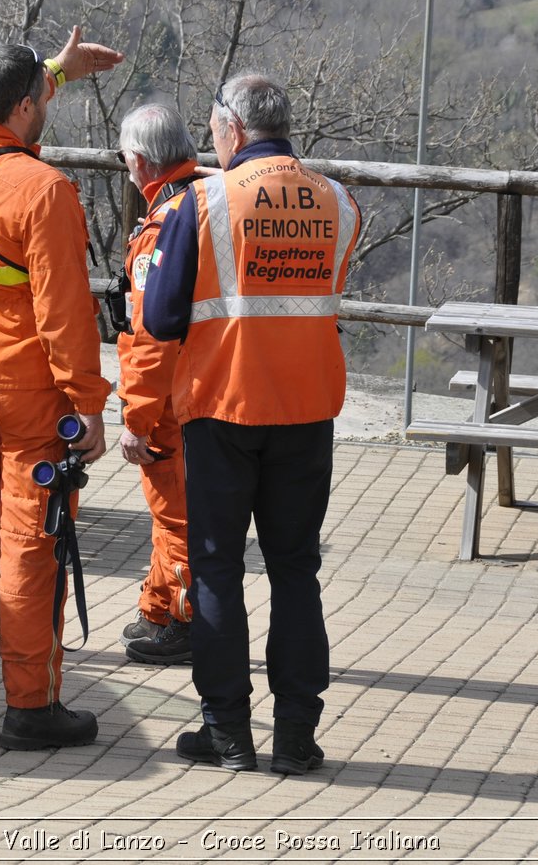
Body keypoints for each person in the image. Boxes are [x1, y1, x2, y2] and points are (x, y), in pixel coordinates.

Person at [143, 74, 361, 774]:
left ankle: (227, 731)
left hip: (222, 406)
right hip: (307, 409)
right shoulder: (339, 203)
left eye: (213, 127)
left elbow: (160, 316)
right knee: (296, 568)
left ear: (231, 129)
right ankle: (296, 734)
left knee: (216, 567)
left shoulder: (202, 201)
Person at [0, 29, 122, 750]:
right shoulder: (45, 190)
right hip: (29, 392)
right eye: (43, 95)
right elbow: (65, 316)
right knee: (33, 542)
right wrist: (90, 404)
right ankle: (29, 705)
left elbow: (4, 121)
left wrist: (57, 72)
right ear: (28, 107)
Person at [113, 104, 205, 665]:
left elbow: (150, 337)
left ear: (142, 161)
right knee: (167, 508)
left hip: (171, 396)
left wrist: (135, 419)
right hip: (201, 385)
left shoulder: (164, 224)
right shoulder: (202, 199)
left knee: (176, 513)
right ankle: (160, 607)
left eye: (125, 158)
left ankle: (186, 624)